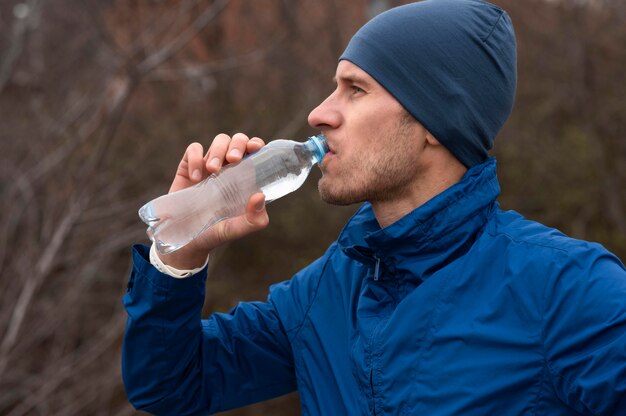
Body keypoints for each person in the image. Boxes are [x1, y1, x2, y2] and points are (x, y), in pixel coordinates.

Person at [122, 0, 626, 415]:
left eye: (356, 89)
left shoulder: (569, 290)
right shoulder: (326, 292)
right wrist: (181, 250)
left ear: (436, 120)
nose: (319, 113)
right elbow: (169, 387)